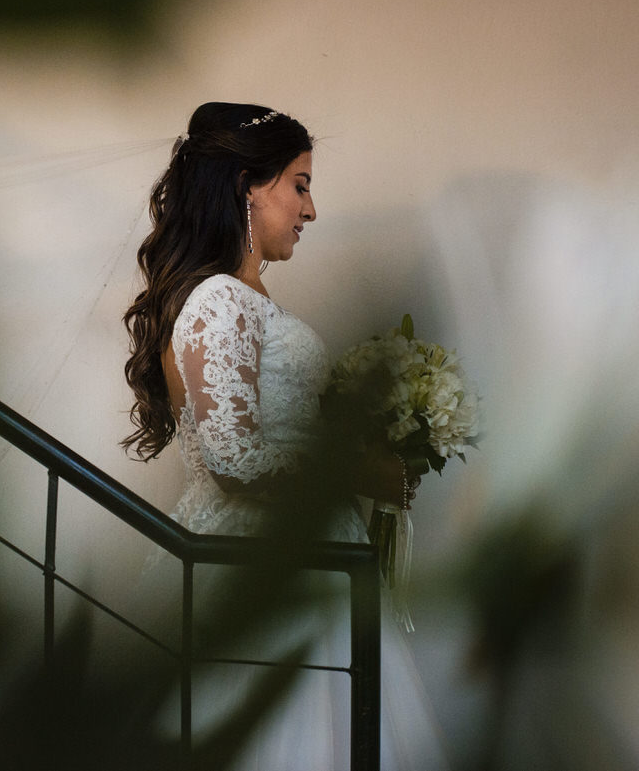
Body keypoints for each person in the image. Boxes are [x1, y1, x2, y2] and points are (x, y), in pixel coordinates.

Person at [121, 102, 448, 769]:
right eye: (299, 184)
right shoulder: (221, 300)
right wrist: (359, 473)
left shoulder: (251, 300)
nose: (311, 209)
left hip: (313, 556)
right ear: (248, 185)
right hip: (263, 559)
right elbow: (230, 454)